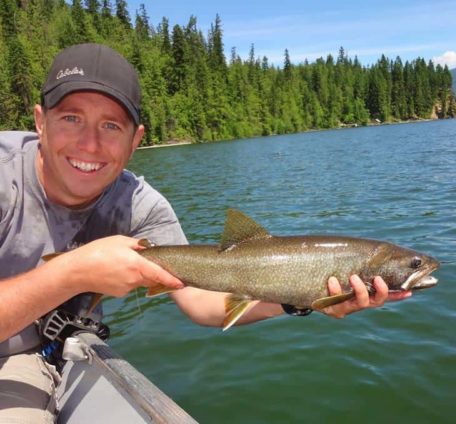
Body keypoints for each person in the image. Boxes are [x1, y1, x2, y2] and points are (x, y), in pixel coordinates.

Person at [0, 43, 412, 421]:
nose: (89, 144)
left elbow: (202, 302)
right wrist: (72, 273)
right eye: (72, 118)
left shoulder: (142, 206)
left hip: (23, 358)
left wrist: (302, 301)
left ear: (135, 141)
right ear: (40, 121)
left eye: (111, 126)